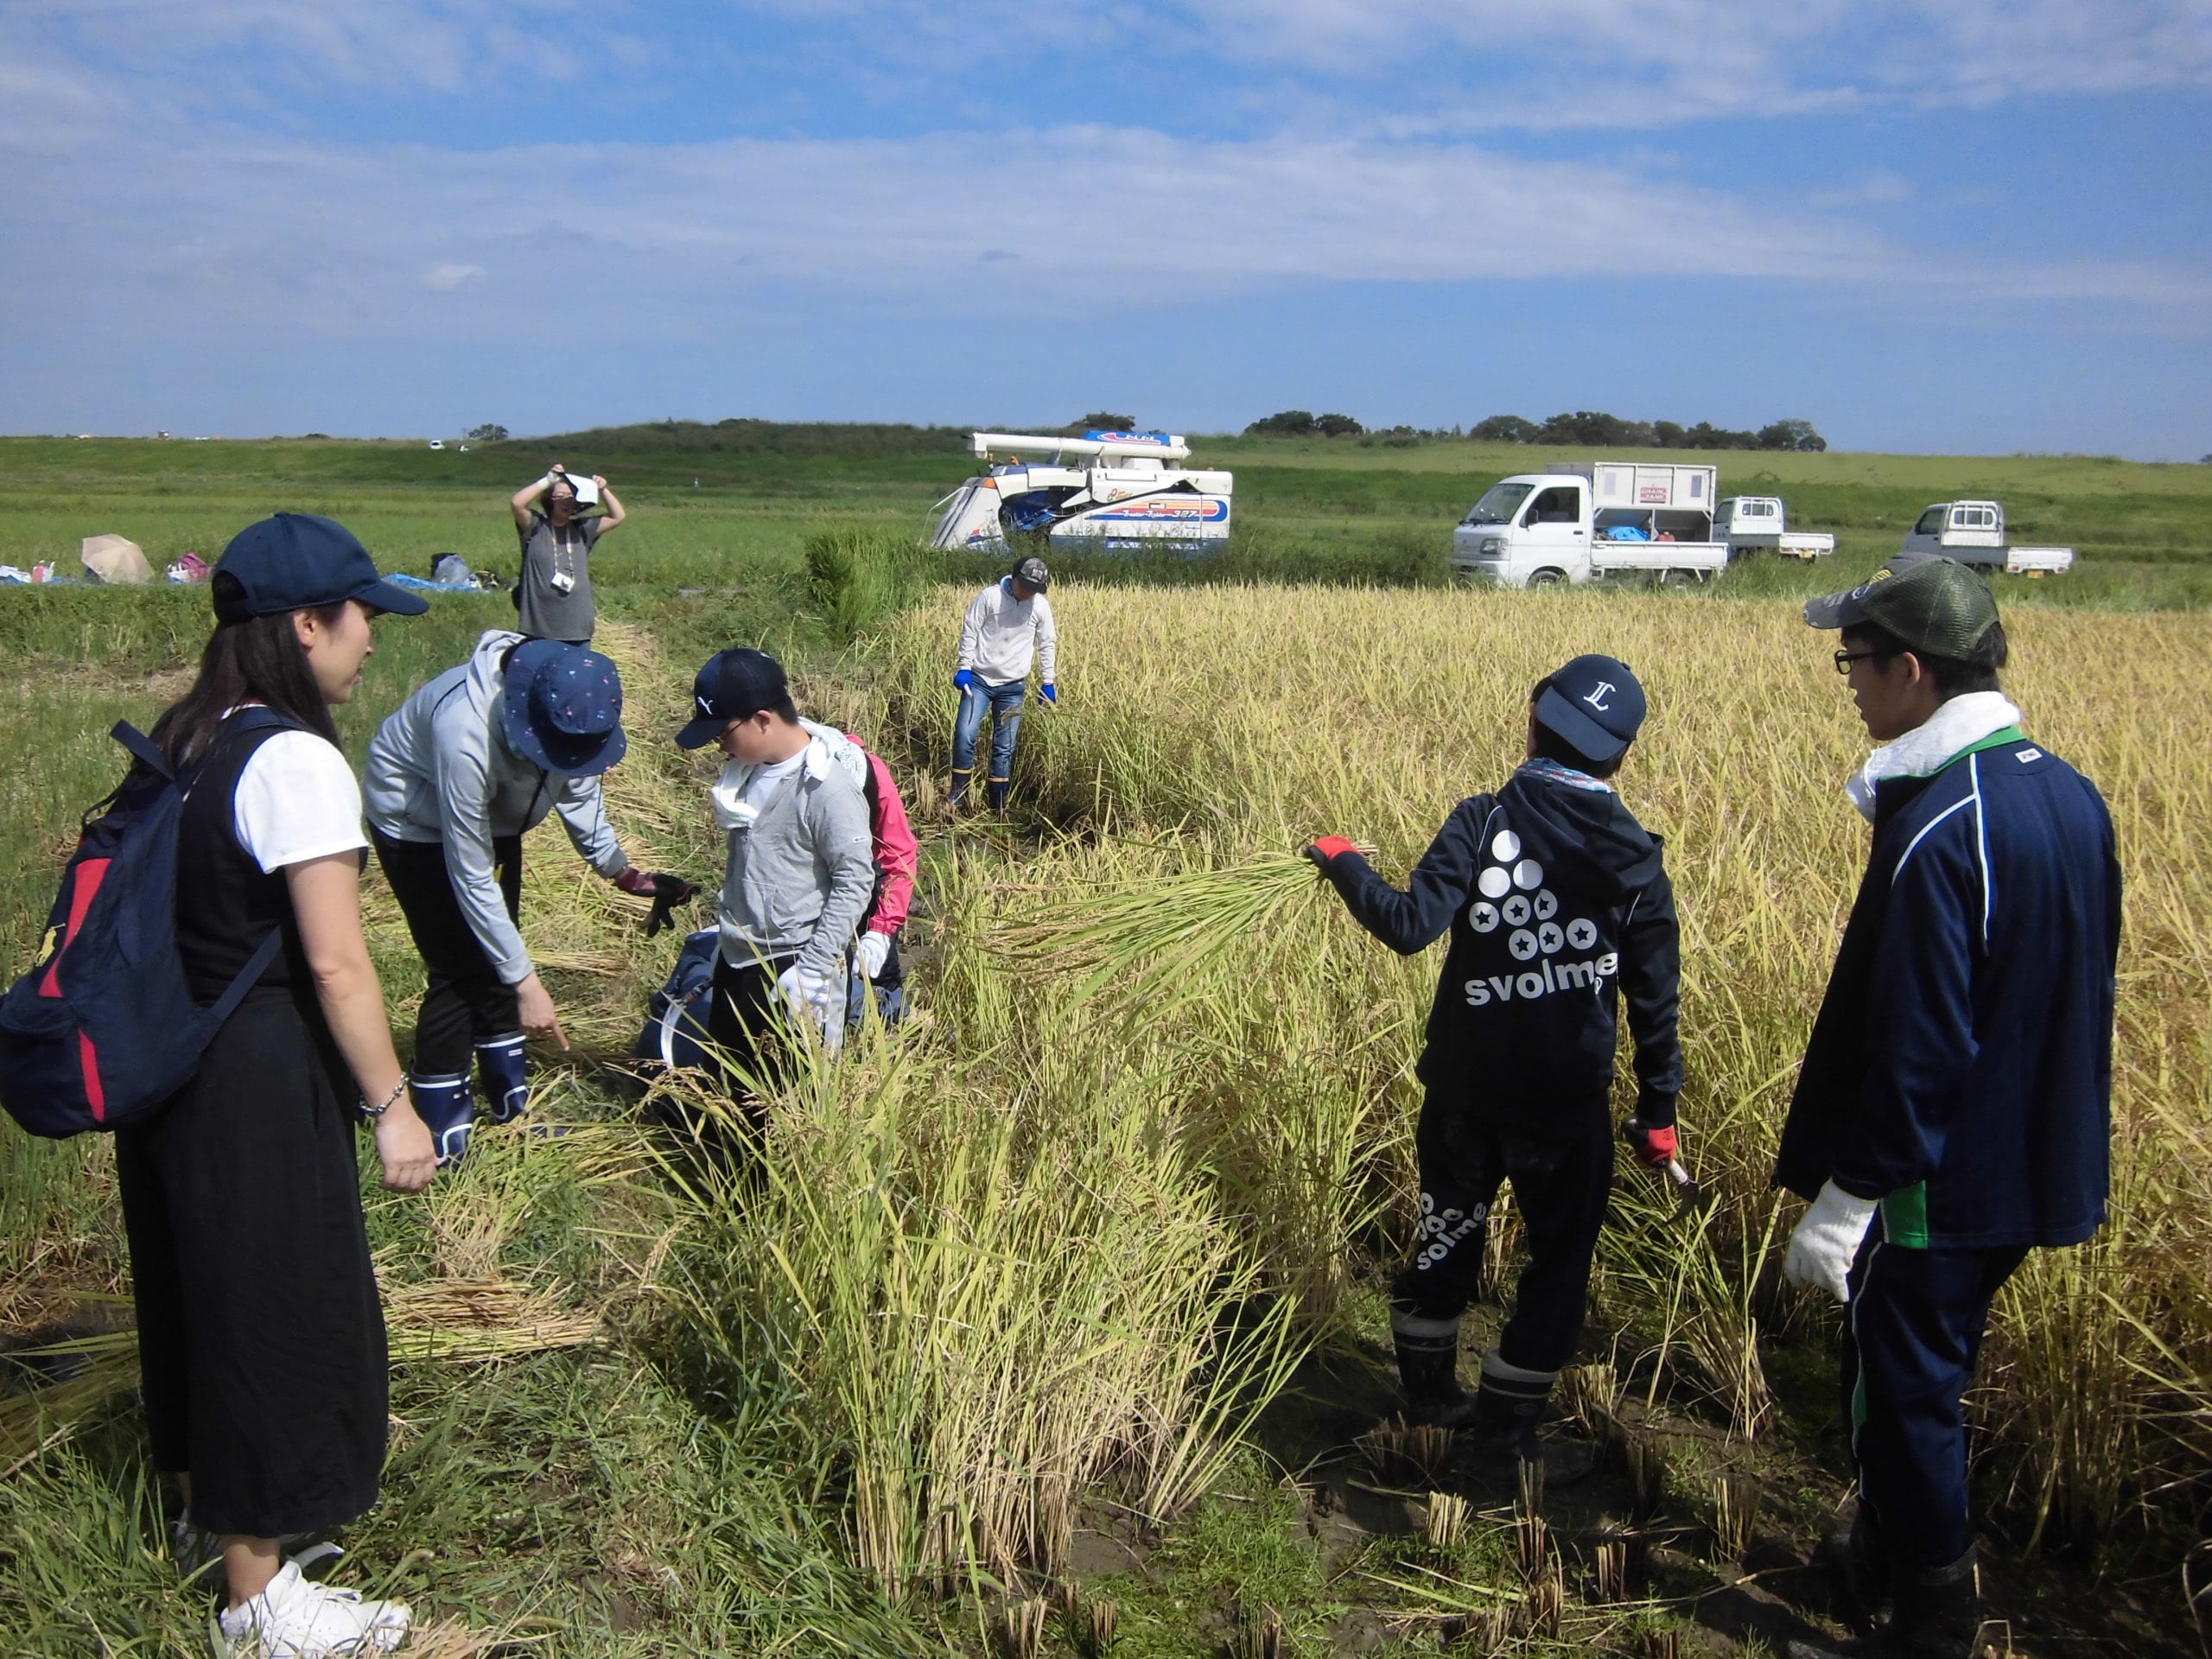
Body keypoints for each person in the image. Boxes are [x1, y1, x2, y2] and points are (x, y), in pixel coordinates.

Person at [1780, 561, 2120, 1658]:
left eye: (1855, 661)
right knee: (1919, 1376)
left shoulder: (1939, 827)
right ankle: (1868, 1557)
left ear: (1911, 671)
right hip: (2033, 1157)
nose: (1847, 681)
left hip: (1937, 1178)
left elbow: (1919, 1048)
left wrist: (1848, 1199)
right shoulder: (2067, 792)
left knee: (1905, 1397)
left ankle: (1931, 1621)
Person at [116, 512, 435, 1654]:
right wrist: (392, 1106)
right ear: (308, 625)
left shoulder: (193, 734)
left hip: (176, 1064)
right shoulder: (295, 761)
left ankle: (239, 1536)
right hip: (253, 1077)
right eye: (362, 623)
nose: (370, 646)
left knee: (206, 1298)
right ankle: (259, 1606)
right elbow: (339, 961)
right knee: (269, 1315)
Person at [1304, 654, 1682, 1461]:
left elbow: (1409, 927)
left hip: (1466, 1094)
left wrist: (1341, 859)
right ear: (1620, 755)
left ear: (1534, 723)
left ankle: (1433, 1399)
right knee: (1560, 1262)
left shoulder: (1484, 821)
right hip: (1566, 1103)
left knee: (1447, 1231)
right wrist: (1660, 1114)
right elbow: (1654, 999)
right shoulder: (1637, 860)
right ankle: (1506, 1428)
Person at [363, 630, 690, 1163]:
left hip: (497, 817)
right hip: (416, 821)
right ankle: (440, 1128)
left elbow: (578, 787)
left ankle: (509, 1101)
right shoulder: (463, 731)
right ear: (525, 713)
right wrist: (527, 983)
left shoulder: (572, 713)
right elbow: (468, 873)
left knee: (498, 945)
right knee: (458, 966)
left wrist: (624, 874)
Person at [675, 649, 874, 1121]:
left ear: (763, 719)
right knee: (728, 1085)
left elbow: (855, 879)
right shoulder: (746, 771)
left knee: (787, 1103)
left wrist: (812, 969)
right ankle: (728, 1181)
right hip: (739, 953)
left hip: (793, 964)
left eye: (724, 733)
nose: (719, 747)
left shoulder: (825, 788)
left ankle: (779, 1191)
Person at [793, 718, 918, 1034]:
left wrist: (881, 930)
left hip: (868, 863)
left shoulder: (875, 779)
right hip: (810, 866)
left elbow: (899, 855)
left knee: (880, 961)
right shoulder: (799, 777)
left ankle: (891, 1015)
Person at [951, 554, 1057, 811]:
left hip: (1013, 687)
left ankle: (998, 805)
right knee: (965, 734)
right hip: (979, 682)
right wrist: (964, 667)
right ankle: (958, 795)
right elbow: (970, 630)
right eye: (1027, 587)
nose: (1030, 593)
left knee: (1005, 746)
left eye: (1036, 589)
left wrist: (1048, 682)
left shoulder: (1039, 607)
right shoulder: (990, 597)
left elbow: (1047, 643)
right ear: (1015, 578)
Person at [509, 463, 626, 644]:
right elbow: (517, 503)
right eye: (560, 496)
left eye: (571, 497)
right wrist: (548, 481)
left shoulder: (582, 529)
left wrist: (603, 490)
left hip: (577, 625)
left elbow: (617, 516)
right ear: (550, 500)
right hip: (539, 625)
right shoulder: (535, 526)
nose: (566, 501)